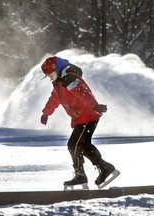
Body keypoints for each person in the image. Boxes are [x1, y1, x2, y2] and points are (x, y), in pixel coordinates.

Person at [40, 56, 117, 188]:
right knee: (83, 146)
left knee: (73, 144)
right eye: (48, 76)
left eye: (50, 74)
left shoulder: (68, 78)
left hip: (88, 116)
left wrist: (94, 106)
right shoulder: (59, 83)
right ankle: (105, 168)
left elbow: (83, 92)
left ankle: (80, 175)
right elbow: (54, 99)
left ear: (56, 69)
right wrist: (46, 113)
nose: (50, 77)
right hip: (82, 118)